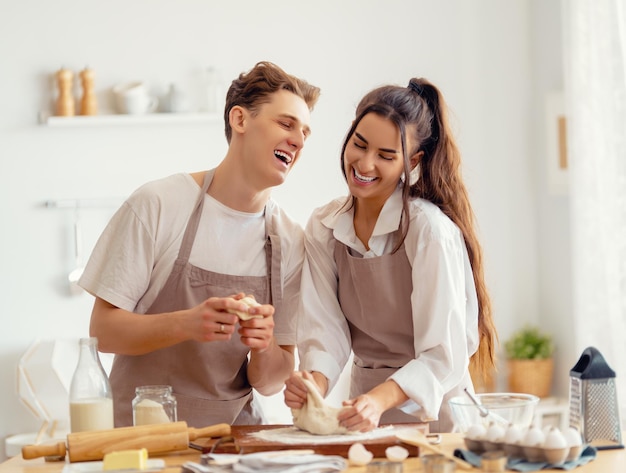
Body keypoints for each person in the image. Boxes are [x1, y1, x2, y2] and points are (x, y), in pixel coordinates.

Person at [78, 61, 321, 427]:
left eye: (305, 132)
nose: (299, 140)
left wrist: (263, 344)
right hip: (143, 439)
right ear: (239, 120)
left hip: (234, 441)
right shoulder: (158, 204)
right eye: (286, 124)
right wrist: (187, 324)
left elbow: (271, 382)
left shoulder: (289, 239)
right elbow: (103, 332)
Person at [284, 78, 497, 433]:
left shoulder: (428, 230)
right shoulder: (324, 226)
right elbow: (326, 330)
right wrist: (314, 386)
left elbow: (442, 354)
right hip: (362, 409)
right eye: (359, 145)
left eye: (385, 155)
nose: (365, 164)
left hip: (437, 415)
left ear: (411, 161)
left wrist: (380, 400)